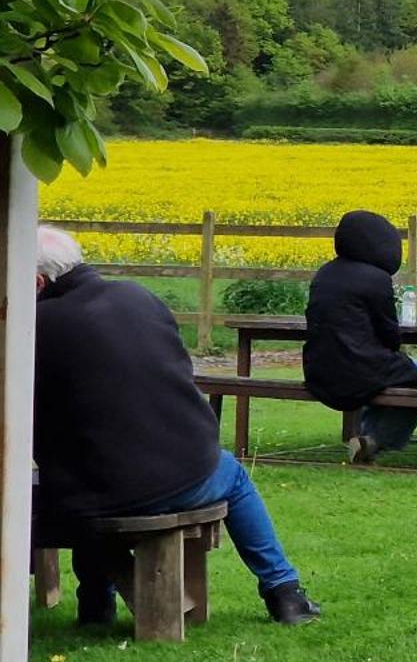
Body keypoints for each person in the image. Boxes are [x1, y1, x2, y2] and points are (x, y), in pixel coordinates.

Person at [30, 226, 320, 626]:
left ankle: (96, 604)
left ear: (37, 281)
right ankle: (285, 591)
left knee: (85, 480)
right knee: (233, 475)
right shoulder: (138, 297)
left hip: (88, 492)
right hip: (188, 470)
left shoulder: (34, 328)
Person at [304, 209, 417, 464]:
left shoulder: (324, 273)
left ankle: (367, 438)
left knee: (400, 375)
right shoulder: (376, 279)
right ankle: (375, 440)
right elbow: (390, 334)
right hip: (361, 370)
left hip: (318, 370)